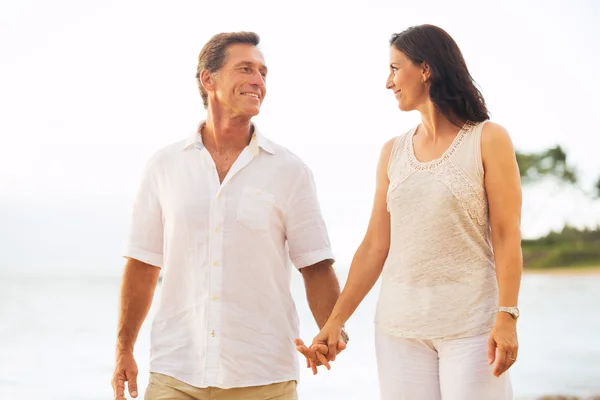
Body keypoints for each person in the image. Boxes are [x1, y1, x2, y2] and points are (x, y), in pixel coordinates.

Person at [111, 31, 346, 400]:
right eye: (246, 69)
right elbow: (142, 264)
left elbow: (315, 265)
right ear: (209, 79)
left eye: (263, 72)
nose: (259, 81)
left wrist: (334, 329)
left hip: (263, 376)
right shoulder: (164, 166)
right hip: (176, 373)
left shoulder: (289, 170)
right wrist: (124, 348)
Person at [296, 24, 522, 400]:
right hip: (398, 330)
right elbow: (374, 246)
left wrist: (508, 315)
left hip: (472, 328)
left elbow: (506, 233)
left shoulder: (488, 138)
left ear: (426, 69)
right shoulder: (392, 152)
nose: (389, 82)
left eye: (395, 68)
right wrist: (334, 323)